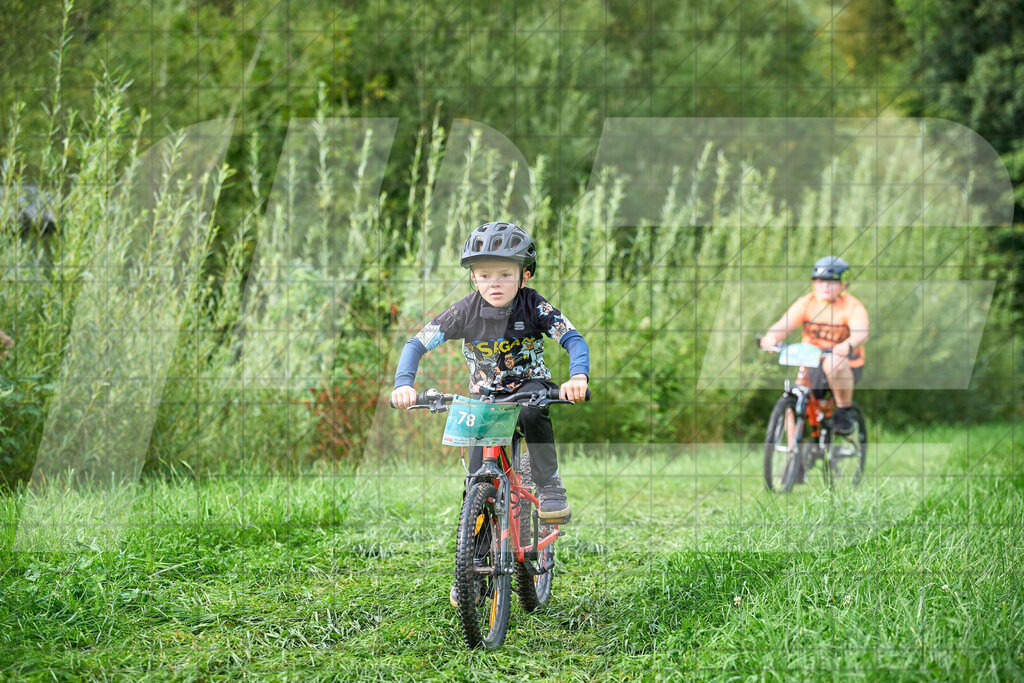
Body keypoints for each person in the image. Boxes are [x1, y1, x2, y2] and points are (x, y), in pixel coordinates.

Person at [392, 221, 589, 521]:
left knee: (532, 412)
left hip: (529, 388)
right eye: (485, 275)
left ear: (524, 276)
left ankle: (549, 485)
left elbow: (572, 339)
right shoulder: (464, 311)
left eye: (505, 274)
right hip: (485, 398)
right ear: (474, 277)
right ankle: (477, 533)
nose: (494, 283)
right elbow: (417, 343)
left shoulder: (534, 306)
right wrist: (404, 384)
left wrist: (577, 377)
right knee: (476, 477)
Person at [759, 256, 868, 434]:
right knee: (791, 400)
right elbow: (784, 325)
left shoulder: (852, 307)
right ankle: (793, 454)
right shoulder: (807, 303)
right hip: (811, 362)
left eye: (831, 282)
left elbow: (861, 333)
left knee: (834, 362)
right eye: (820, 281)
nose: (825, 286)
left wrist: (847, 345)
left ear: (844, 285)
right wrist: (771, 337)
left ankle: (843, 411)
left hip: (845, 365)